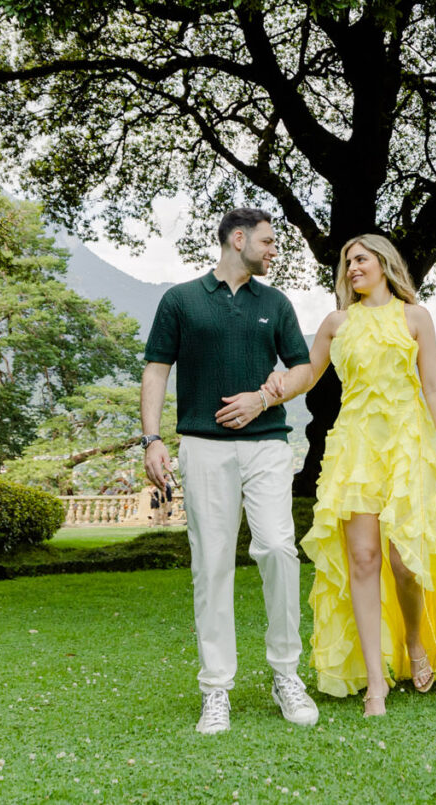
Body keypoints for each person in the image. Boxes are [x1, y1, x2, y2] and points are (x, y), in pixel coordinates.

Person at [264, 234, 436, 717]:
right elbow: (308, 374)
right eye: (347, 261)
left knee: (404, 562)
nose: (352, 267)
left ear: (384, 264)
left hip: (409, 445)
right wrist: (269, 391)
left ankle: (414, 639)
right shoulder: (336, 323)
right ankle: (376, 683)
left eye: (361, 259)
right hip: (354, 450)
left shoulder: (416, 318)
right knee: (364, 560)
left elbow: (433, 386)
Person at [140, 208, 318, 734]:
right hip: (203, 445)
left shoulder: (277, 303)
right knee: (212, 562)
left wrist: (264, 397)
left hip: (267, 445)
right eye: (267, 241)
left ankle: (286, 674)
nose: (273, 250)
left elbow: (304, 367)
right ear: (237, 239)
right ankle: (216, 687)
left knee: (279, 548)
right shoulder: (181, 301)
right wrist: (152, 439)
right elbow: (156, 370)